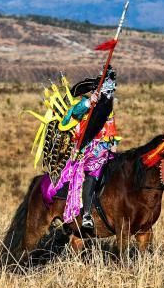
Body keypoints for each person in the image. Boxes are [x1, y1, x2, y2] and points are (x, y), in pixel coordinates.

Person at [41, 69, 120, 230]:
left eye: (111, 91)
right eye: (107, 90)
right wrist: (88, 102)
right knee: (92, 174)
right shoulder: (85, 105)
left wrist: (113, 145)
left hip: (104, 150)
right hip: (84, 150)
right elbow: (72, 114)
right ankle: (86, 215)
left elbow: (110, 130)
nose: (109, 94)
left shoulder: (107, 110)